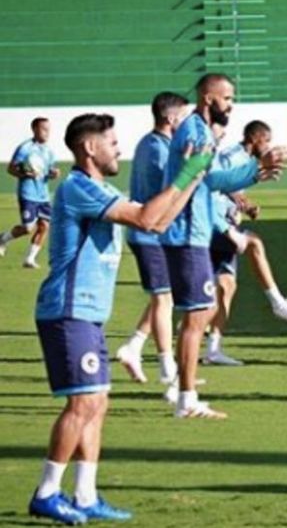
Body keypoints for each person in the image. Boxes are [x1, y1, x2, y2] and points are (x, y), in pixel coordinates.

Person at [27, 113, 207, 524]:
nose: (119, 149)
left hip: (87, 314)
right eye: (111, 142)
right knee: (83, 402)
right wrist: (188, 171)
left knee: (98, 403)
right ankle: (47, 491)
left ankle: (86, 495)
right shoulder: (79, 187)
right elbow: (145, 219)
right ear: (90, 148)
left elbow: (158, 220)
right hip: (68, 311)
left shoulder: (100, 188)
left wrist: (193, 177)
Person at [160, 73, 287, 419]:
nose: (231, 105)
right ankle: (184, 398)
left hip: (195, 232)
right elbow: (212, 177)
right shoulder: (196, 132)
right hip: (188, 232)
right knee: (196, 316)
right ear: (208, 99)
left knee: (197, 314)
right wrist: (255, 168)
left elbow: (213, 178)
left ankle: (181, 389)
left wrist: (255, 174)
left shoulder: (197, 131)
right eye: (227, 98)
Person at [204, 120, 287, 367]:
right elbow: (222, 183)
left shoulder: (244, 158)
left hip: (227, 224)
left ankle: (213, 350)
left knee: (226, 288)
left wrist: (247, 206)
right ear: (256, 138)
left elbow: (236, 188)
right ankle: (277, 302)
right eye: (267, 140)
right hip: (214, 226)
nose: (268, 145)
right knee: (255, 243)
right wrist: (242, 200)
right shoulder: (229, 156)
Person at [115, 92, 189, 388]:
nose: (187, 123)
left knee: (166, 297)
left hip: (154, 234)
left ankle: (133, 346)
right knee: (163, 299)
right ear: (171, 118)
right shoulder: (158, 150)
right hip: (150, 234)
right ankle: (167, 367)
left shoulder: (154, 144)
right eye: (183, 116)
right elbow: (166, 195)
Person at [0, 117, 60, 268]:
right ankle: (3, 238)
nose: (47, 133)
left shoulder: (49, 151)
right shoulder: (25, 148)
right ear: (34, 129)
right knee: (28, 228)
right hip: (28, 193)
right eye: (43, 129)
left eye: (48, 129)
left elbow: (51, 170)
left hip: (43, 195)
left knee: (44, 225)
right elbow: (11, 168)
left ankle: (29, 259)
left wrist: (54, 173)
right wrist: (24, 174)